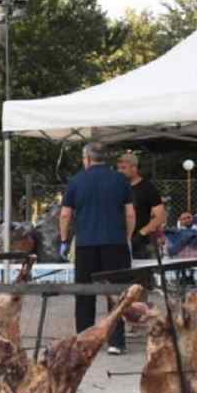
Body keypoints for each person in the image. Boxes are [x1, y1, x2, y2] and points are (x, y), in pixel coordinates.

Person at [59, 142, 134, 355]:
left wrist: (65, 240)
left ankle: (84, 341)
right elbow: (129, 213)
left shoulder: (76, 181)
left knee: (84, 293)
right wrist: (127, 237)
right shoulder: (121, 180)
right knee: (116, 293)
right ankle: (116, 342)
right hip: (116, 244)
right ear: (104, 158)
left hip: (85, 245)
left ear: (87, 159)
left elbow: (65, 214)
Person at [117, 152, 165, 261]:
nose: (119, 171)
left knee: (141, 277)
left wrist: (142, 233)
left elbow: (161, 216)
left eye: (123, 168)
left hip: (141, 245)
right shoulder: (117, 187)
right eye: (118, 168)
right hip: (118, 241)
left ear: (134, 168)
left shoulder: (148, 188)